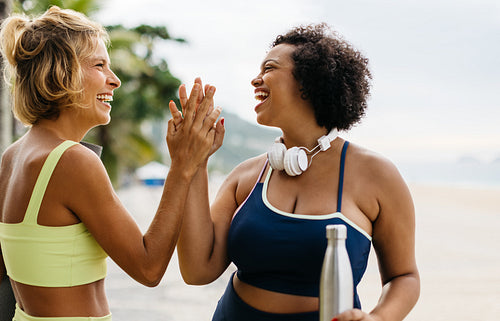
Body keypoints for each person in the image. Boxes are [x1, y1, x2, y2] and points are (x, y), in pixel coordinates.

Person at [173, 23, 420, 321]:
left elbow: (404, 276)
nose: (256, 79)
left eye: (269, 68)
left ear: (310, 81)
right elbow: (198, 270)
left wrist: (378, 318)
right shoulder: (245, 176)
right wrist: (195, 163)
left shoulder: (377, 175)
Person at [0, 6, 223, 321]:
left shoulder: (12, 157)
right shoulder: (72, 160)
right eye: (100, 65)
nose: (114, 80)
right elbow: (149, 268)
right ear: (62, 72)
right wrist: (182, 165)